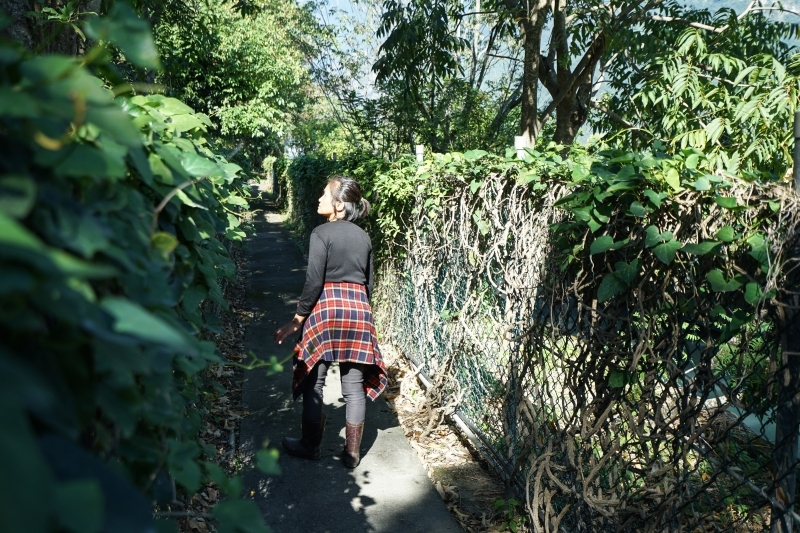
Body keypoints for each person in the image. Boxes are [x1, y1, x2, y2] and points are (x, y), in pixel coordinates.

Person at [274, 176, 388, 469]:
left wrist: (298, 318)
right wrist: (360, 311)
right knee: (353, 385)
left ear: (338, 205)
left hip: (326, 310)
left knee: (314, 380)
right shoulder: (363, 237)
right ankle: (351, 454)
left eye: (324, 194)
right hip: (359, 310)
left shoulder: (321, 233)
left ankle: (310, 446)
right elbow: (369, 284)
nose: (319, 200)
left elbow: (314, 281)